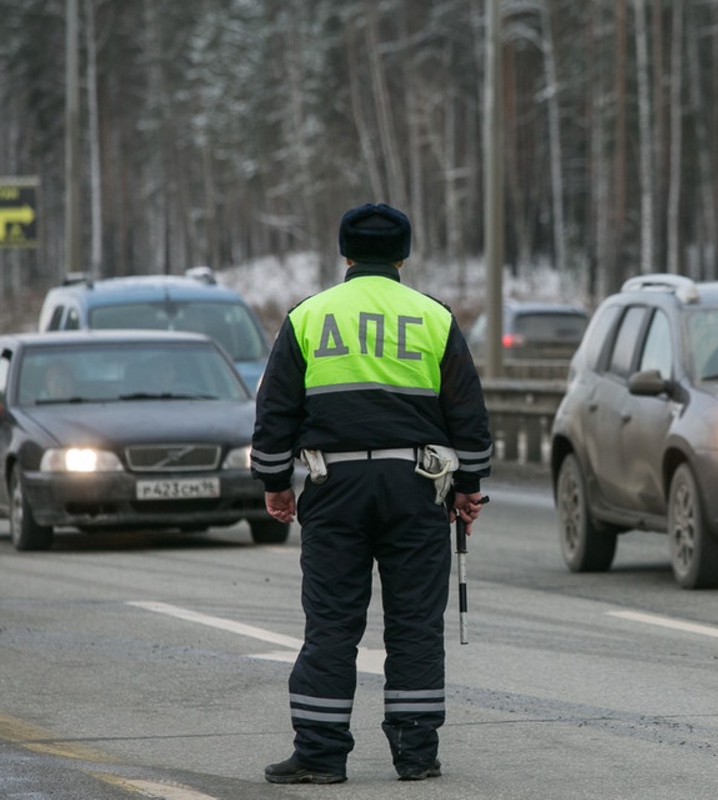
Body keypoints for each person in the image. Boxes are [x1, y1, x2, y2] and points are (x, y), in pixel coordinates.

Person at [251, 203, 492, 784]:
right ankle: (416, 754)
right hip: (416, 487)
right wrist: (467, 487)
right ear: (404, 256)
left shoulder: (309, 316)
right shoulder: (433, 317)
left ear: (345, 254)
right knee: (414, 621)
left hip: (334, 486)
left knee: (332, 622)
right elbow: (467, 413)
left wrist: (275, 482)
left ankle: (320, 755)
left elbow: (277, 407)